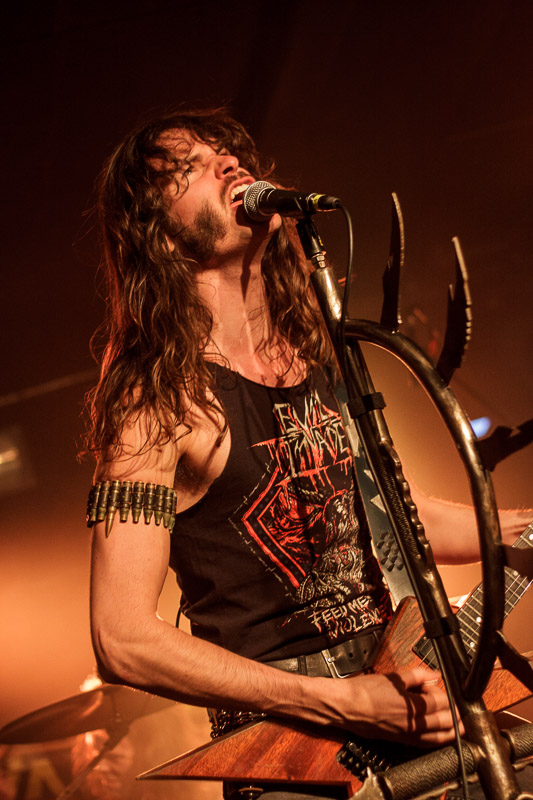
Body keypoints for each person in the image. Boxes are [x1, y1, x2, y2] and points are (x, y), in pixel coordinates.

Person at [85, 107, 531, 800]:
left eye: (230, 153)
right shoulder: (156, 399)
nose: (229, 165)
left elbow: (391, 521)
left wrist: (517, 531)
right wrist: (343, 703)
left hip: (402, 697)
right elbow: (123, 638)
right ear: (157, 231)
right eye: (191, 168)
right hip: (289, 751)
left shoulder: (318, 355)